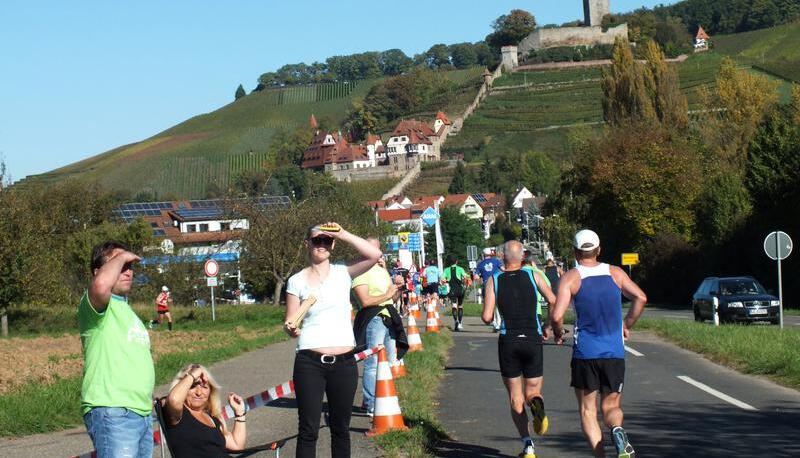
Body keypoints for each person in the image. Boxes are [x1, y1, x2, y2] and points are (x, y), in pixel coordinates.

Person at [284, 222, 382, 458]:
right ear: (307, 244)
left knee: (340, 429)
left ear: (333, 244)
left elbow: (374, 254)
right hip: (310, 361)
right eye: (316, 240)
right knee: (308, 430)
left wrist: (344, 233)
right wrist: (292, 330)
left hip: (344, 362)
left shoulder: (343, 272)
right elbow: (291, 320)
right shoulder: (296, 281)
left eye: (326, 241)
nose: (321, 245)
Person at [550, 229, 647, 458]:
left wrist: (558, 332)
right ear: (599, 250)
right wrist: (627, 324)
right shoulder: (615, 273)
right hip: (614, 352)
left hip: (585, 354)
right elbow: (641, 298)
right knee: (611, 408)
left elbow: (556, 316)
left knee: (588, 410)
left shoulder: (571, 278)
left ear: (575, 252)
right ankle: (617, 430)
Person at [78, 241, 155, 457]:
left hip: (141, 413)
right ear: (97, 272)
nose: (128, 271)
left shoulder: (129, 312)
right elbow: (101, 286)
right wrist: (122, 256)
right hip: (113, 411)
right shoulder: (95, 306)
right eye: (120, 265)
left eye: (130, 266)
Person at [481, 241, 556, 458]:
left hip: (509, 340)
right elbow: (553, 299)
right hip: (532, 337)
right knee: (532, 391)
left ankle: (528, 445)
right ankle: (537, 403)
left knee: (515, 397)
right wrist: (548, 326)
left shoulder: (494, 280)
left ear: (502, 257)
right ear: (522, 256)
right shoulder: (534, 275)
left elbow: (487, 317)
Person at [351, 240, 408, 418]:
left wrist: (398, 287)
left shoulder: (382, 271)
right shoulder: (360, 273)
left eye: (377, 247)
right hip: (374, 319)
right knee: (373, 363)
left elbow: (392, 298)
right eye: (371, 247)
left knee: (390, 362)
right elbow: (365, 301)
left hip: (389, 318)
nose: (376, 251)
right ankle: (371, 403)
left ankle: (384, 399)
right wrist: (388, 294)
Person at [162, 363, 247, 457]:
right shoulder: (177, 415)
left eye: (204, 386)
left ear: (211, 391)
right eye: (193, 386)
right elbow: (174, 399)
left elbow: (237, 446)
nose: (199, 392)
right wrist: (193, 375)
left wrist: (239, 412)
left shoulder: (211, 417)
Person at [475, 248, 503, 331]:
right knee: (498, 305)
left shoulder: (480, 264)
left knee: (490, 305)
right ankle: (498, 323)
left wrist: (480, 277)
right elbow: (503, 269)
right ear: (491, 254)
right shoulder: (497, 261)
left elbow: (476, 277)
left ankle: (495, 323)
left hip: (487, 286)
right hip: (497, 284)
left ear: (483, 255)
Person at [442, 255, 468, 331]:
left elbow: (442, 279)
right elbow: (466, 277)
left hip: (452, 290)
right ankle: (460, 323)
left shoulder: (446, 270)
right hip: (460, 290)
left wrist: (445, 281)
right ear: (457, 261)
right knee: (460, 306)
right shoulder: (460, 269)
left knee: (454, 306)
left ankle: (455, 321)